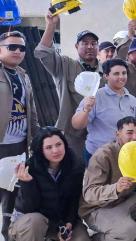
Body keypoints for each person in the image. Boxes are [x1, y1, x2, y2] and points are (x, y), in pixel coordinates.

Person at [8, 127, 90, 241]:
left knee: (81, 240)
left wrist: (69, 223)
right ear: (40, 150)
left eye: (59, 144)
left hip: (56, 221)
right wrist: (27, 183)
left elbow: (74, 200)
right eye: (49, 147)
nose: (55, 150)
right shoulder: (29, 168)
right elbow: (29, 208)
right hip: (28, 222)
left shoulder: (74, 166)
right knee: (35, 220)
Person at [35, 12, 101, 159]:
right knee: (74, 174)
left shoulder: (105, 72)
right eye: (85, 43)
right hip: (72, 135)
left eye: (93, 43)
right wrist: (51, 25)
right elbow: (44, 53)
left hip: (100, 133)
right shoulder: (65, 65)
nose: (90, 46)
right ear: (77, 46)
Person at [1, 31, 40, 241]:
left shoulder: (23, 75)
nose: (17, 51)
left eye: (22, 48)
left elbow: (31, 110)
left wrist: (35, 139)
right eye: (12, 47)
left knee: (12, 192)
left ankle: (9, 234)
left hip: (18, 144)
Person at [72, 58, 136, 167]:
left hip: (126, 155)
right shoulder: (95, 96)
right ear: (106, 76)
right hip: (98, 155)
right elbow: (77, 124)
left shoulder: (132, 100)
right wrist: (86, 110)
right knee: (98, 184)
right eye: (116, 74)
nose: (121, 77)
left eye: (124, 73)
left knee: (128, 184)